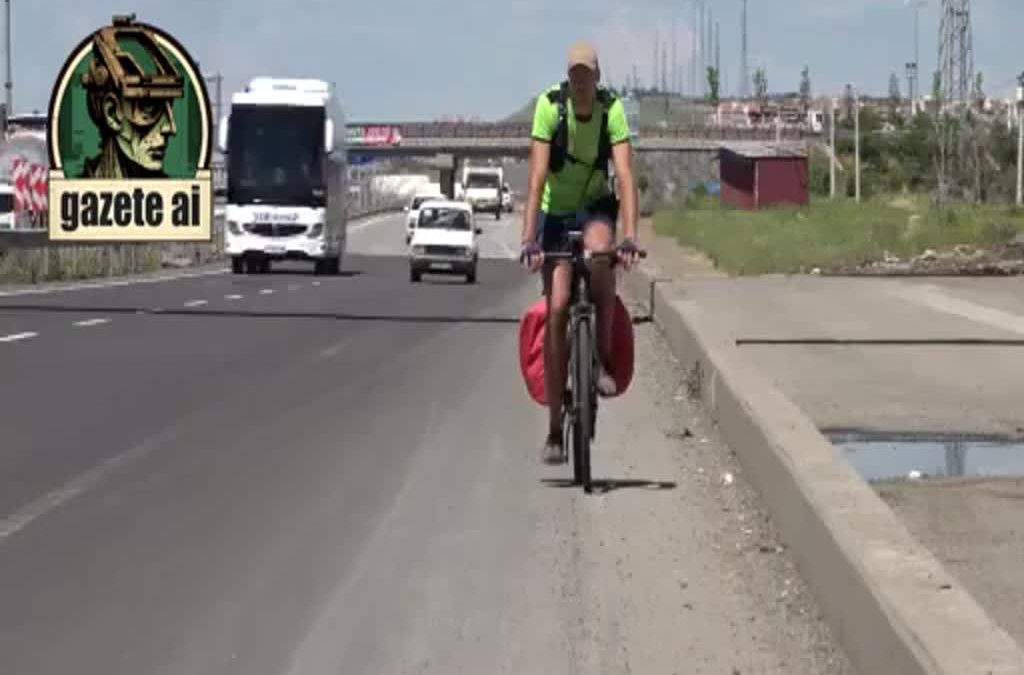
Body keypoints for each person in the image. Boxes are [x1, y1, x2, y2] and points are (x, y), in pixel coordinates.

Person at [519, 40, 640, 465]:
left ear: (598, 76)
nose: (581, 82)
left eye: (587, 75)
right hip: (555, 213)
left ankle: (603, 363)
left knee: (600, 256)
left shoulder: (612, 110)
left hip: (595, 207)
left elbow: (625, 177)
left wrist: (631, 236)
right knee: (557, 308)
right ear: (567, 79)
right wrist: (529, 239)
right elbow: (535, 178)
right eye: (575, 75)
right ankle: (555, 429)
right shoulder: (550, 107)